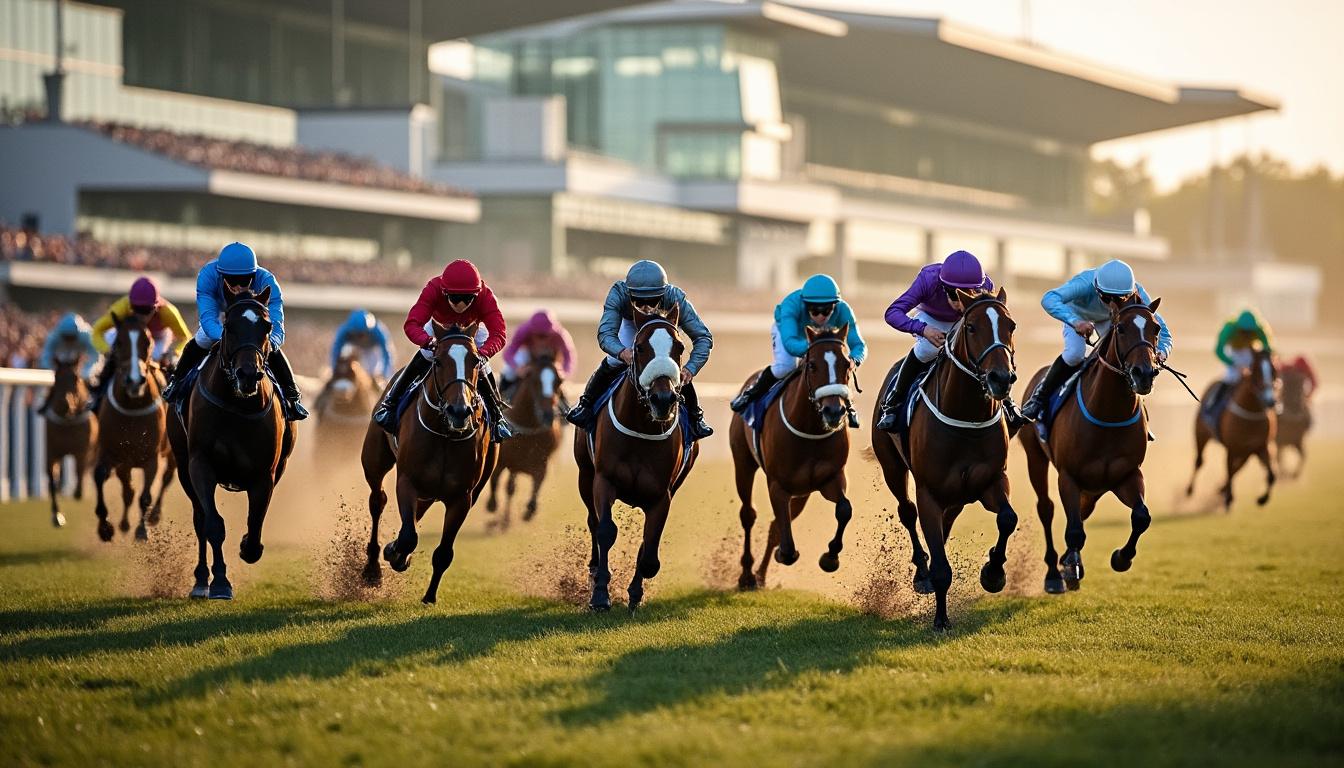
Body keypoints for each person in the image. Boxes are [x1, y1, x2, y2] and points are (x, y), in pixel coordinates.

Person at [565, 260, 714, 440]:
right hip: (632, 325)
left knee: (672, 366)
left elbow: (703, 337)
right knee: (613, 361)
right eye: (639, 301)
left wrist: (690, 369)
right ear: (629, 294)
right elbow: (606, 334)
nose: (646, 307)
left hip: (663, 324)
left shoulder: (674, 297)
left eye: (652, 301)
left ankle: (695, 417)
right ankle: (586, 405)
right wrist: (622, 352)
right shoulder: (619, 293)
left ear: (662, 294)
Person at [876, 250, 1023, 432]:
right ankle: (894, 402)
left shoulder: (985, 285)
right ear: (943, 287)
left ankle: (1007, 401)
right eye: (955, 295)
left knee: (987, 348)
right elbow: (892, 313)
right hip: (931, 318)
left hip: (967, 320)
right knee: (927, 350)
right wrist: (923, 329)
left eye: (970, 294)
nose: (961, 302)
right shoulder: (928, 280)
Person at [162, 242, 308, 420]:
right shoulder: (208, 275)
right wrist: (229, 337)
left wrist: (271, 342)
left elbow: (277, 324)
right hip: (221, 317)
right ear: (221, 275)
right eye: (232, 280)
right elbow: (208, 319)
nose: (238, 286)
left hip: (251, 322)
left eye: (244, 280)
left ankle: (292, 397)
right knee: (200, 340)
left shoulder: (267, 281)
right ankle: (176, 382)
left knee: (272, 349)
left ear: (253, 275)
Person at [371, 259, 513, 442]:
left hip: (471, 331)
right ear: (444, 292)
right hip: (439, 329)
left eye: (468, 299)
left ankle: (497, 417)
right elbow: (412, 324)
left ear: (476, 294)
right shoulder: (433, 288)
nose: (461, 304)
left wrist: (484, 353)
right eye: (454, 298)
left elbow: (499, 333)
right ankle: (389, 404)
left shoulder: (485, 295)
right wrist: (427, 341)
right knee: (425, 355)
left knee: (481, 365)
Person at [1021, 259, 1172, 421]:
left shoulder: (1137, 293)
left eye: (1120, 299)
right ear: (1097, 289)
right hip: (1078, 316)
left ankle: (1137, 415)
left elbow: (1163, 331)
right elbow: (1049, 298)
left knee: (1126, 357)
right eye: (1108, 298)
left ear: (1130, 293)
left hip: (1110, 321)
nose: (1113, 304)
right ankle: (1038, 399)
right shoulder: (1085, 283)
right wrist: (1075, 322)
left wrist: (1161, 352)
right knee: (1074, 354)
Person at [730, 273, 866, 427]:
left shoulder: (844, 310)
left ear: (835, 306)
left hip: (820, 340)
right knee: (786, 366)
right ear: (805, 305)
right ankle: (750, 394)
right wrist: (815, 350)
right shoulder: (791, 305)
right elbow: (790, 343)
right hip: (791, 333)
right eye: (815, 310)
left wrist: (854, 359)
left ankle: (848, 406)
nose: (821, 316)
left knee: (838, 365)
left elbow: (859, 345)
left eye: (827, 310)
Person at [88, 276, 191, 412]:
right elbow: (96, 331)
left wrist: (175, 353)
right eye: (137, 309)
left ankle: (175, 397)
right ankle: (97, 396)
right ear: (130, 305)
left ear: (156, 307)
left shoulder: (168, 312)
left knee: (168, 363)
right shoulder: (121, 308)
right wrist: (109, 350)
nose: (141, 316)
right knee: (113, 358)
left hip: (157, 339)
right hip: (127, 335)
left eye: (146, 311)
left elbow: (186, 338)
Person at [499, 309, 577, 393]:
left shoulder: (560, 334)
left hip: (551, 359)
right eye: (539, 336)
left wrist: (564, 372)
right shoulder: (523, 330)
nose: (542, 341)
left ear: (551, 332)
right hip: (527, 355)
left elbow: (569, 355)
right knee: (509, 373)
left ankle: (563, 398)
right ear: (532, 331)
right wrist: (517, 368)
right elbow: (508, 353)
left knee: (559, 380)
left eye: (545, 336)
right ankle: (502, 393)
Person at [36, 312, 99, 414]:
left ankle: (95, 401)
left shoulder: (86, 335)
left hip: (78, 363)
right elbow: (45, 357)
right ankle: (47, 403)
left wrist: (86, 371)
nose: (69, 340)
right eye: (66, 337)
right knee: (60, 380)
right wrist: (54, 369)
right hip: (62, 362)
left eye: (71, 337)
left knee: (91, 379)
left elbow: (95, 356)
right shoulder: (54, 336)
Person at [329, 308, 393, 382]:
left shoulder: (378, 331)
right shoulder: (344, 331)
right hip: (354, 348)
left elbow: (387, 353)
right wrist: (334, 369)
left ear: (369, 330)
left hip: (373, 350)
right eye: (356, 334)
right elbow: (335, 351)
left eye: (361, 334)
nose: (359, 338)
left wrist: (385, 373)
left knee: (373, 373)